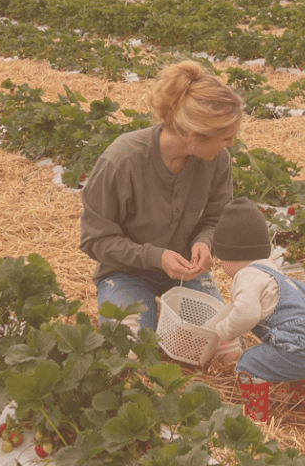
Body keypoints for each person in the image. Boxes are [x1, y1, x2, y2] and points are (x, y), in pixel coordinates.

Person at [79, 60, 243, 338]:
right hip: (124, 272)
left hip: (184, 273)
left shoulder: (216, 160)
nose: (230, 144)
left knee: (221, 345)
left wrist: (205, 241)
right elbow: (95, 239)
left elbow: (218, 216)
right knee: (129, 351)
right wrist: (156, 256)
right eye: (226, 138)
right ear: (195, 135)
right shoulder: (122, 160)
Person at [211, 197, 305, 422]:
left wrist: (222, 332)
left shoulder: (247, 275)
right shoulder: (272, 273)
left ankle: (256, 418)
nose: (219, 264)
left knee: (249, 362)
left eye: (220, 257)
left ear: (231, 255)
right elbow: (238, 308)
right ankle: (301, 405)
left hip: (303, 351)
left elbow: (245, 315)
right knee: (292, 345)